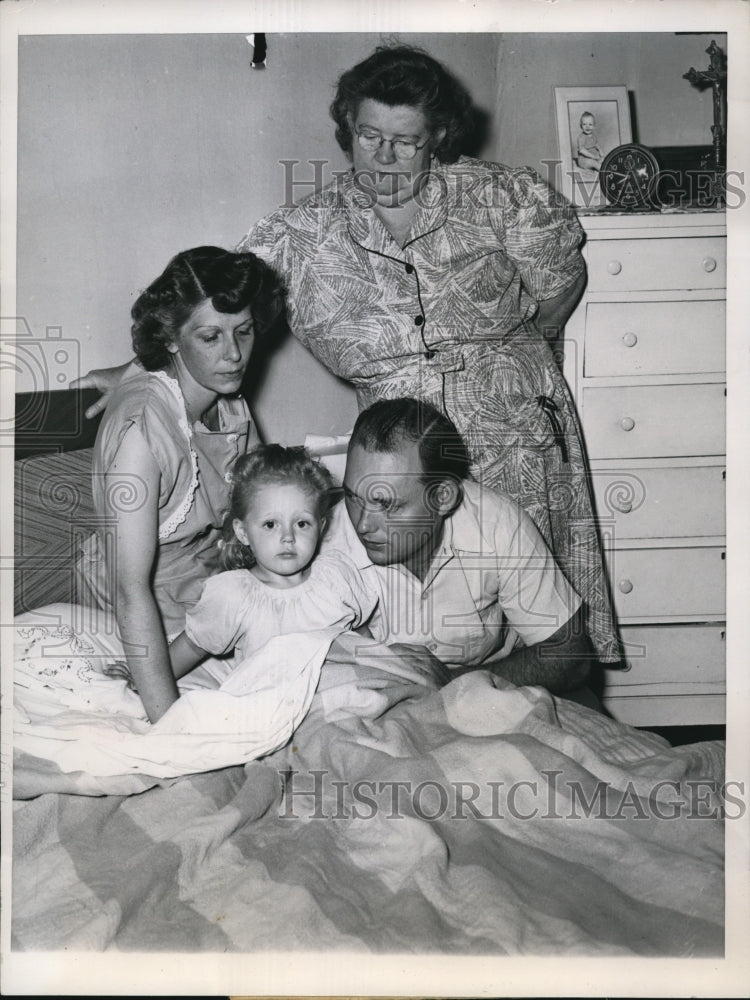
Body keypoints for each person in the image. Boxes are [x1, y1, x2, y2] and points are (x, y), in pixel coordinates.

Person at [71, 43, 619, 664]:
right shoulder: (304, 233)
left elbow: (558, 280)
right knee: (410, 634)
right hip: (391, 459)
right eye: (367, 135)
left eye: (406, 141)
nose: (383, 159)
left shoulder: (503, 198)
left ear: (438, 135)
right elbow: (216, 301)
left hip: (515, 436)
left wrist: (521, 363)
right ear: (348, 130)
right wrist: (143, 367)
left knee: (536, 631)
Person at [76, 246, 283, 722]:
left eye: (244, 332)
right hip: (148, 610)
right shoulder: (141, 432)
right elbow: (130, 591)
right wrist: (169, 728)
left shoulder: (230, 404)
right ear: (171, 339)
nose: (233, 355)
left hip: (213, 589)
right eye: (210, 337)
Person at [324, 398, 595, 699]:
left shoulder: (496, 522)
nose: (362, 524)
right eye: (353, 497)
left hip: (492, 687)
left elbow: (569, 654)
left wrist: (452, 681)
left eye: (386, 504)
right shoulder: (324, 542)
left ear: (442, 497)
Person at [167, 444, 377, 682]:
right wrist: (139, 680)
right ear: (243, 532)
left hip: (345, 692)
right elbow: (192, 647)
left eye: (301, 524)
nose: (288, 537)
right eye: (270, 525)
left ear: (321, 527)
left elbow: (363, 640)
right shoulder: (234, 596)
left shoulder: (335, 577)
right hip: (276, 703)